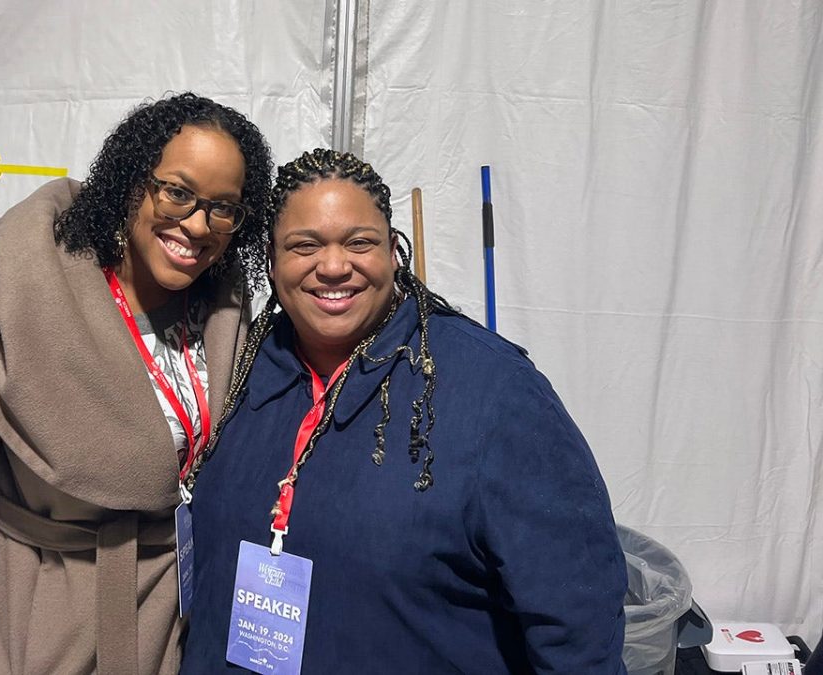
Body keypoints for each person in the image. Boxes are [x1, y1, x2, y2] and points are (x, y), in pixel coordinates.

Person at [180, 149, 629, 673]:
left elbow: (576, 624)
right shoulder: (239, 370)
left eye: (359, 243)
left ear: (394, 252)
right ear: (272, 260)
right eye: (305, 245)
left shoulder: (493, 393)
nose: (333, 266)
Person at [0, 92, 274, 675]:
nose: (198, 225)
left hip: (180, 625)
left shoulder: (226, 312)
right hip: (39, 631)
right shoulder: (10, 297)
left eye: (223, 208)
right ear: (131, 180)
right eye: (177, 192)